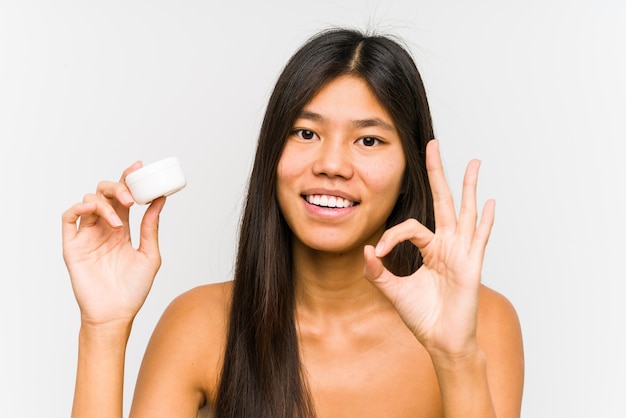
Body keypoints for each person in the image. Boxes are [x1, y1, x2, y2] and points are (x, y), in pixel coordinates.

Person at [62, 28, 524, 418]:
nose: (332, 164)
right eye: (306, 133)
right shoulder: (200, 325)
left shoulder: (483, 324)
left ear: (408, 173)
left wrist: (455, 357)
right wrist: (104, 327)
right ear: (271, 155)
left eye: (368, 139)